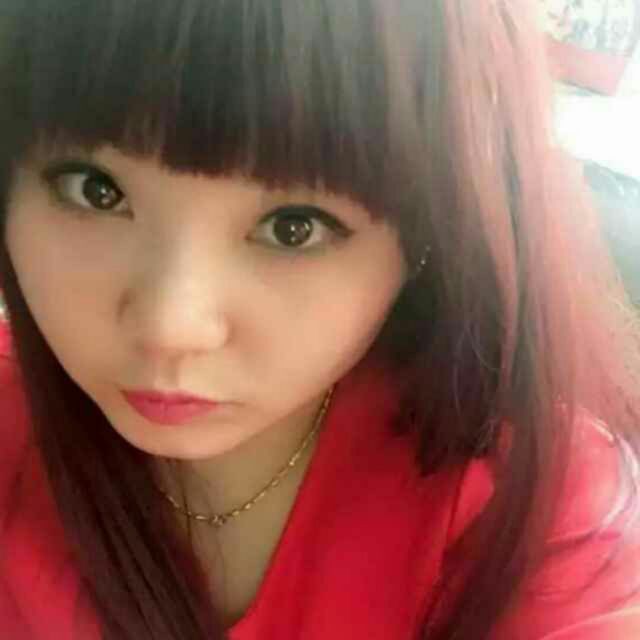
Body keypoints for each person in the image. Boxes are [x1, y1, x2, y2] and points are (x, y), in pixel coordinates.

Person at [0, 1, 640, 639]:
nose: (171, 328)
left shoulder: (535, 509)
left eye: (293, 228)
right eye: (95, 190)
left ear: (429, 235)